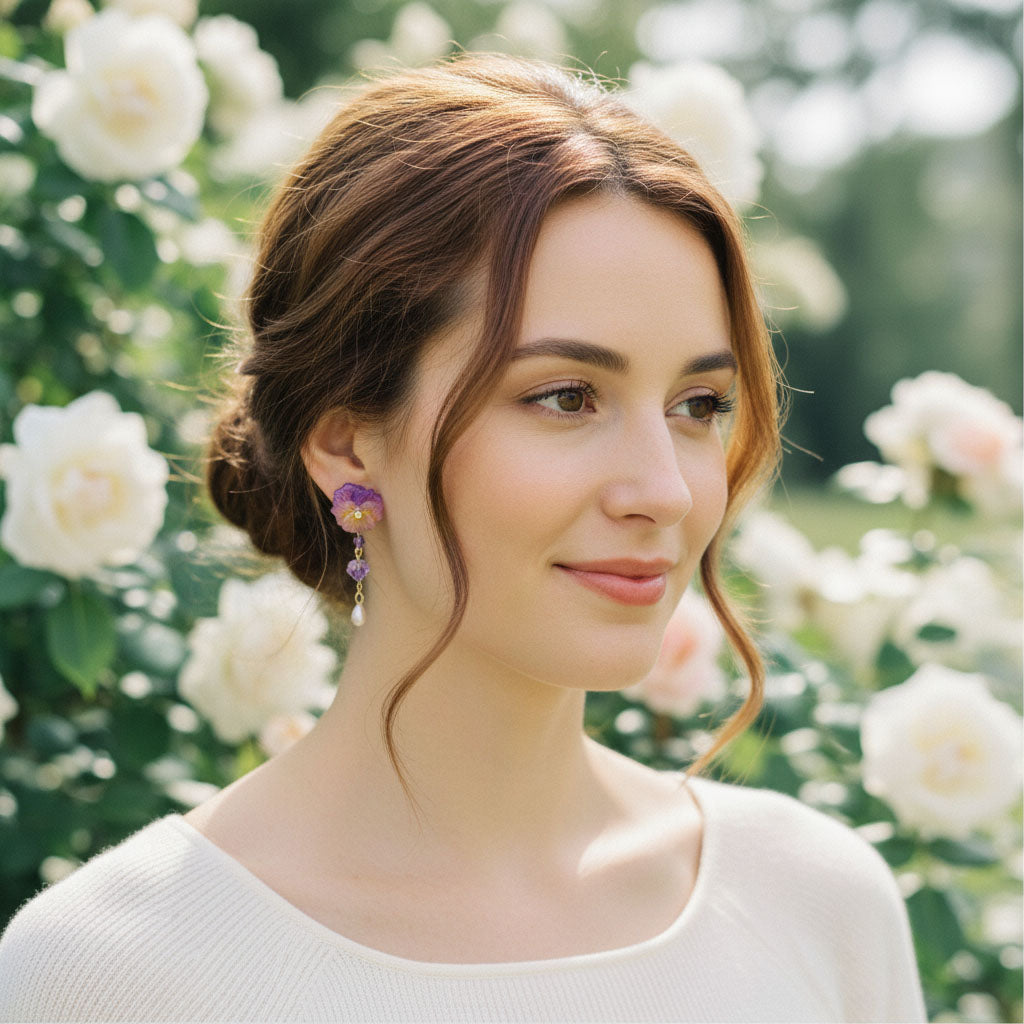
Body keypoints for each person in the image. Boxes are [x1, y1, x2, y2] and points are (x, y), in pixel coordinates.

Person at [0, 53, 926, 1022]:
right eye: (566, 396)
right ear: (344, 440)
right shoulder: (113, 969)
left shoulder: (820, 906)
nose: (664, 489)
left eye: (698, 404)